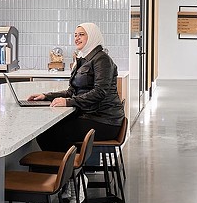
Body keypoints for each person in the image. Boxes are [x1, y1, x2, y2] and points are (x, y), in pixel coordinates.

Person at [28, 22, 125, 151]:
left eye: (81, 35)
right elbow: (72, 91)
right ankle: (70, 162)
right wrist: (46, 96)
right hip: (91, 116)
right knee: (47, 131)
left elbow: (99, 92)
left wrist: (68, 102)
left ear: (92, 36)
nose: (77, 38)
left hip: (104, 121)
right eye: (75, 35)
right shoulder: (83, 59)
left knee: (49, 134)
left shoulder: (102, 59)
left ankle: (72, 163)